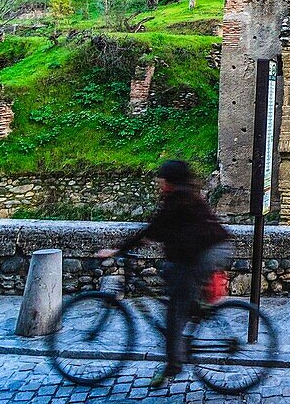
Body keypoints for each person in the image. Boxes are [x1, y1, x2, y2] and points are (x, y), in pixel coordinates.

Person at [99, 160, 232, 388]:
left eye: (161, 178)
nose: (158, 182)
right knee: (172, 277)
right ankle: (194, 311)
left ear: (169, 180)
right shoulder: (183, 196)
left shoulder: (178, 200)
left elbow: (151, 230)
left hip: (205, 254)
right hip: (201, 252)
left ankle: (173, 365)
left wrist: (119, 250)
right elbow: (157, 231)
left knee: (174, 313)